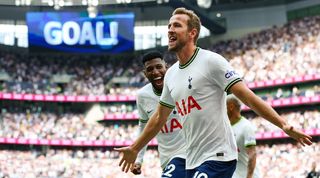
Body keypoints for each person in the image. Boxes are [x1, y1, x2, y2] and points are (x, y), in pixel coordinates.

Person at [115, 7, 312, 178]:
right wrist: (135, 148)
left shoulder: (211, 62)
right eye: (169, 26)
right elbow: (158, 118)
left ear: (192, 33)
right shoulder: (172, 74)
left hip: (219, 156)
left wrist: (284, 124)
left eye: (176, 26)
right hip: (191, 160)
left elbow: (247, 97)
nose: (170, 30)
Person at [131, 51, 186, 177]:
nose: (155, 72)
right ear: (145, 74)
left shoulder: (180, 85)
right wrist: (139, 159)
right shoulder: (142, 96)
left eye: (159, 67)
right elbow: (144, 128)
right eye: (150, 69)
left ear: (166, 67)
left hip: (190, 153)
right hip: (167, 159)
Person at [226, 94, 260, 178]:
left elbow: (252, 154)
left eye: (224, 106)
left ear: (231, 106)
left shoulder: (246, 126)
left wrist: (249, 176)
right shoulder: (226, 127)